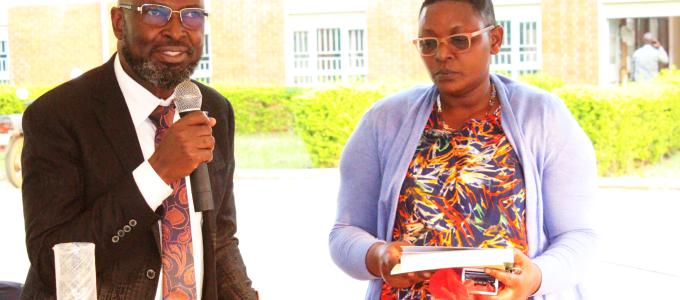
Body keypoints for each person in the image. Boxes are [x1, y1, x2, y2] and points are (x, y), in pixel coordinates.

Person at [329, 0, 597, 299]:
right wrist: (378, 257)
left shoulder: (543, 117)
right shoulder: (384, 121)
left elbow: (578, 236)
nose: (443, 54)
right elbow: (344, 233)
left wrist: (536, 278)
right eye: (429, 43)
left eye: (459, 40)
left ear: (494, 39)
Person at [20, 0, 257, 299]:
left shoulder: (213, 110)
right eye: (156, 12)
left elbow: (219, 237)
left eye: (192, 15)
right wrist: (158, 173)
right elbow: (50, 262)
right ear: (120, 22)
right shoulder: (58, 115)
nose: (176, 31)